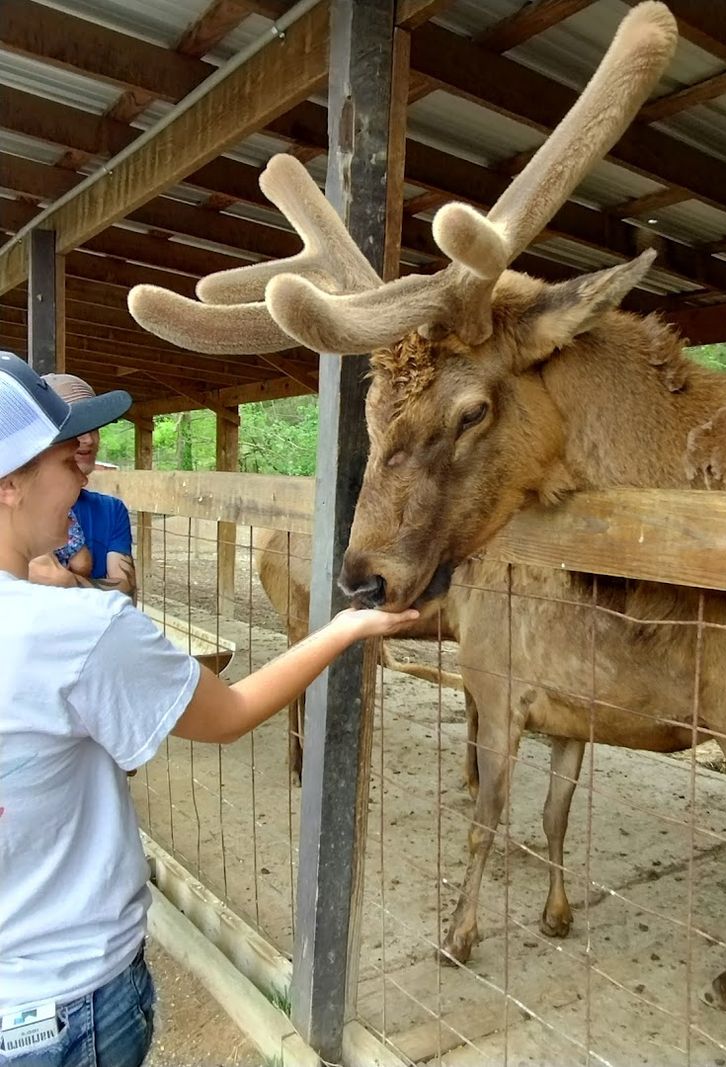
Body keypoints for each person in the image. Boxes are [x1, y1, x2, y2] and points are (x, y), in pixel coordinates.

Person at [0, 351, 417, 1067]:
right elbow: (227, 714)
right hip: (72, 999)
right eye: (69, 458)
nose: (86, 471)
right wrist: (346, 628)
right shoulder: (74, 630)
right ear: (11, 483)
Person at [29, 373, 136, 599]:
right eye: (74, 428)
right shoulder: (16, 508)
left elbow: (125, 589)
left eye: (94, 427)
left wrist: (66, 582)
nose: (87, 439)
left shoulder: (111, 510)